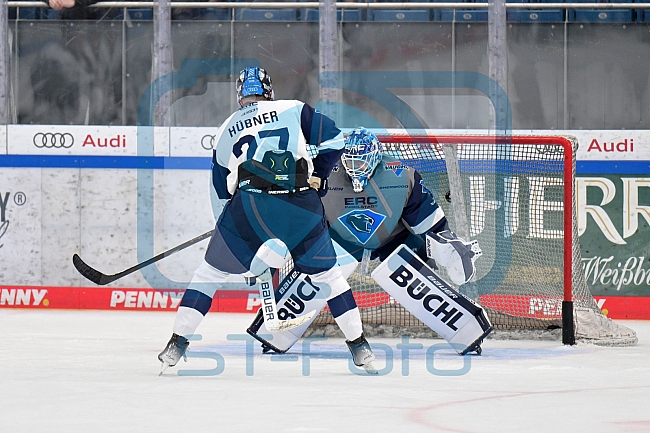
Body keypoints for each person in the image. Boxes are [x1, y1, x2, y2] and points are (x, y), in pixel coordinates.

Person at [158, 67, 377, 374]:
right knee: (329, 278)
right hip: (299, 203)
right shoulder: (294, 108)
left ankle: (176, 344)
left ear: (240, 96)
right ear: (269, 91)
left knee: (208, 275)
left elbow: (222, 191)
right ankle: (359, 346)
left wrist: (232, 229)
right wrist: (318, 175)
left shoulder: (226, 128)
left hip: (249, 205)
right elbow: (336, 142)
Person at [248, 127, 484, 354]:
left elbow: (430, 222)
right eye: (349, 161)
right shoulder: (324, 170)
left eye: (360, 162)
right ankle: (277, 333)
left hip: (394, 237)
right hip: (341, 236)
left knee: (417, 271)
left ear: (375, 158)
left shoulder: (402, 175)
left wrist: (446, 243)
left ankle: (466, 330)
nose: (353, 168)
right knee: (318, 275)